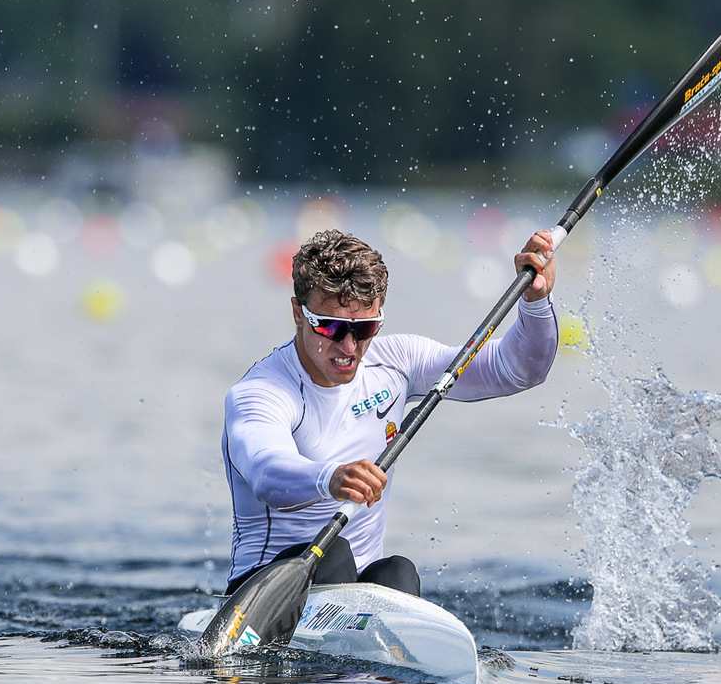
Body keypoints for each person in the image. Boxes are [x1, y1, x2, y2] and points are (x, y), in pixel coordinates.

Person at [221, 227, 558, 598]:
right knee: (334, 555)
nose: (349, 347)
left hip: (355, 589)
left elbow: (519, 368)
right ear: (298, 314)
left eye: (365, 329)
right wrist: (330, 478)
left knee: (398, 573)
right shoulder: (262, 391)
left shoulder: (397, 362)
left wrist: (535, 302)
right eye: (331, 327)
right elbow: (265, 472)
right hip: (263, 589)